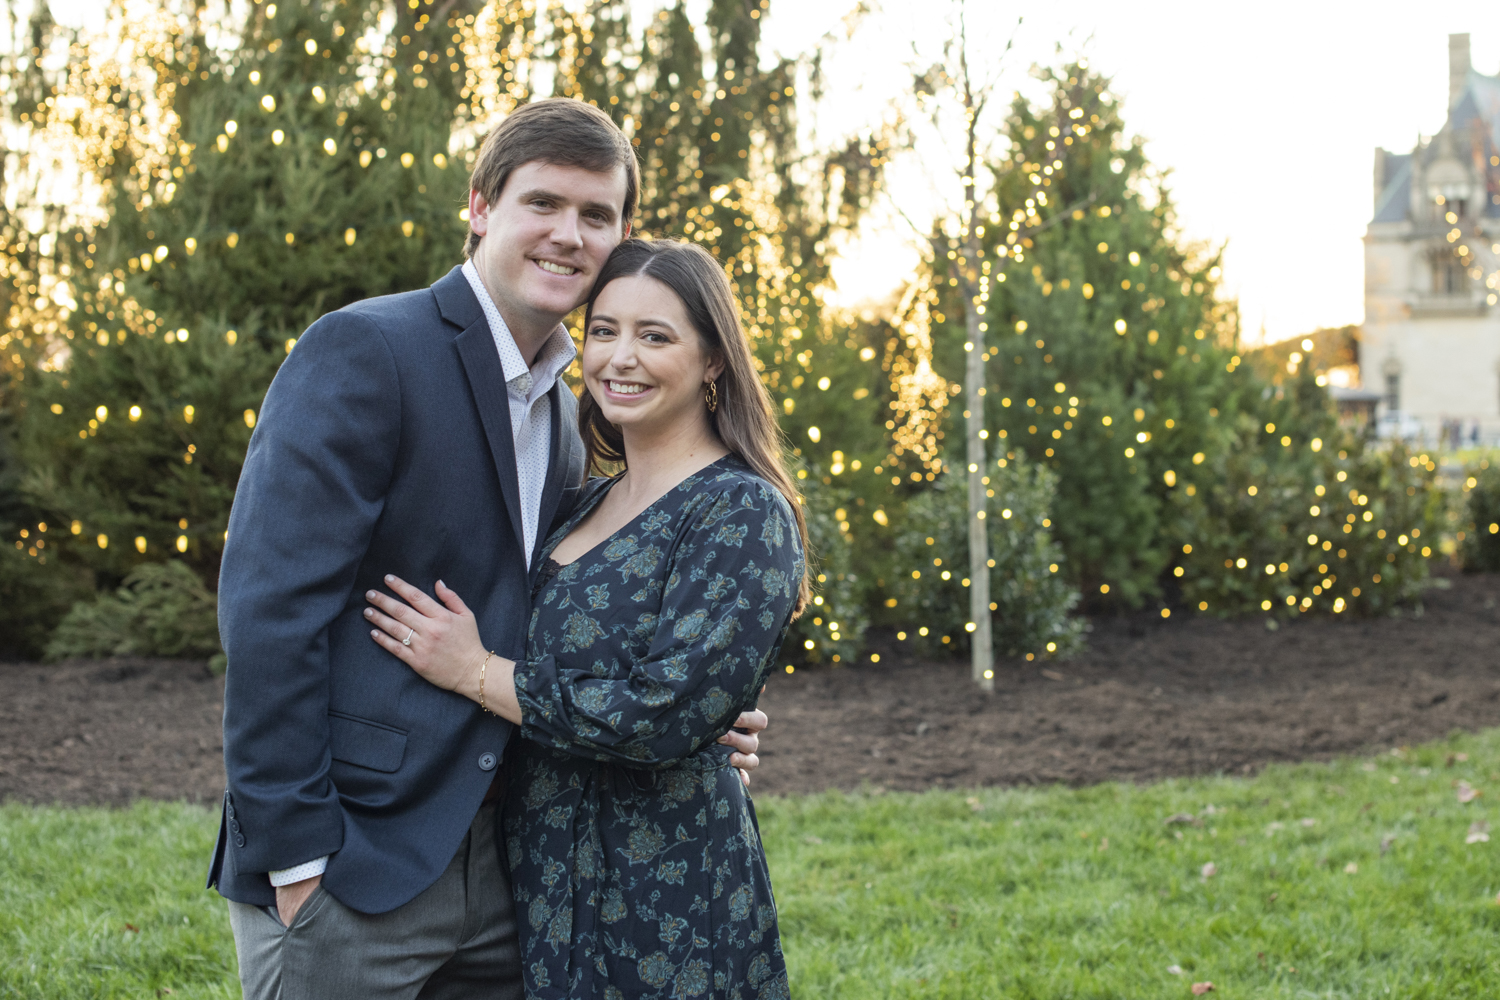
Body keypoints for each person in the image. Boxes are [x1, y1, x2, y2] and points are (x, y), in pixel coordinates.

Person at [210, 100, 766, 999]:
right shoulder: (366, 348)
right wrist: (297, 858)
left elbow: (544, 605)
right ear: (479, 205)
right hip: (355, 863)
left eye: (597, 216)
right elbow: (270, 611)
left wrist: (696, 715)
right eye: (543, 203)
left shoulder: (567, 406)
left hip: (511, 869)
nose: (569, 235)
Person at [364, 238, 806, 999]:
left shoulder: (740, 512)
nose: (619, 358)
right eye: (603, 330)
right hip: (542, 870)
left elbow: (661, 717)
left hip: (663, 882)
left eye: (655, 335)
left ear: (713, 361)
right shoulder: (584, 497)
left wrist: (474, 670)